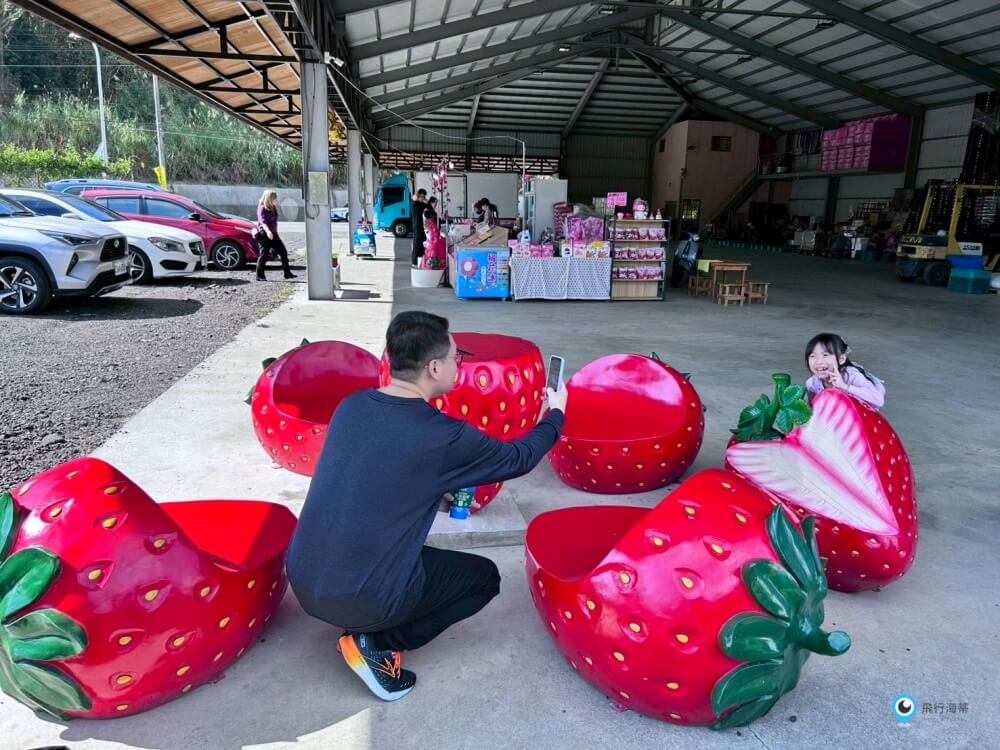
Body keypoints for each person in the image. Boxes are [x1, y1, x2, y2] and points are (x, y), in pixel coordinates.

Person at [287, 311, 567, 702]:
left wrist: (436, 491)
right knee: (484, 579)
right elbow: (520, 457)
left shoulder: (352, 407)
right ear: (434, 368)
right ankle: (378, 643)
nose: (458, 366)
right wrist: (555, 416)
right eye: (456, 358)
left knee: (409, 552)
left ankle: (366, 621)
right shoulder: (442, 436)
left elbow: (376, 472)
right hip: (361, 599)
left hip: (302, 577)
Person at [804, 332, 885, 409]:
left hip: (861, 418)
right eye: (813, 356)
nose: (819, 361)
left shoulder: (851, 375)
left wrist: (845, 387)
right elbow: (812, 409)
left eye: (825, 355)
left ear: (841, 359)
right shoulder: (812, 384)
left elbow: (878, 400)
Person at [255, 190, 296, 281]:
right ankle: (260, 276)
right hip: (264, 234)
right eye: (275, 198)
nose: (276, 200)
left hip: (274, 234)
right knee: (263, 255)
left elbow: (275, 223)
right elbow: (262, 222)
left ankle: (287, 274)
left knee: (283, 252)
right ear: (269, 198)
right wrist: (268, 231)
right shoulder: (262, 208)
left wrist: (275, 233)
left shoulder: (273, 208)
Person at [411, 188, 428, 267]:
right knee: (417, 244)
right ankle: (414, 262)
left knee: (422, 244)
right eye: (422, 196)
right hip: (416, 226)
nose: (423, 198)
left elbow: (428, 204)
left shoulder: (422, 204)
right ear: (418, 196)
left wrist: (425, 199)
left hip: (421, 226)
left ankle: (420, 261)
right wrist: (418, 196)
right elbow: (414, 197)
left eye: (424, 196)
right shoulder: (415, 203)